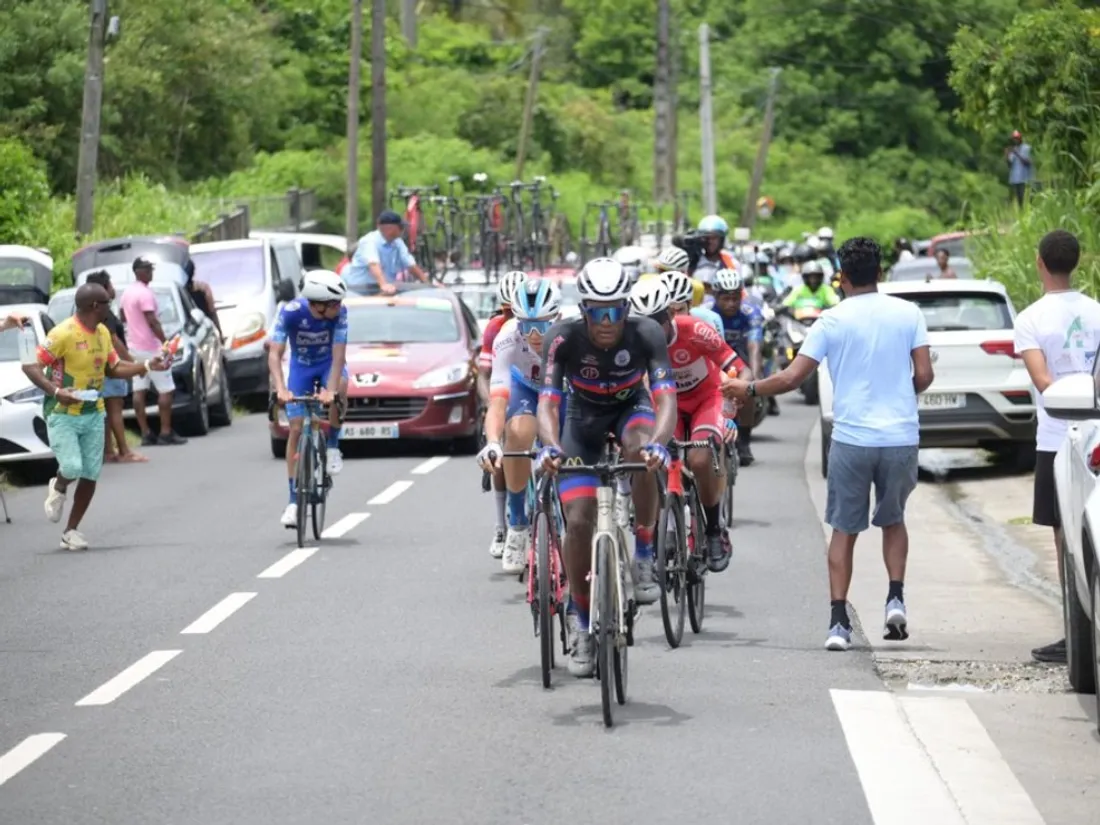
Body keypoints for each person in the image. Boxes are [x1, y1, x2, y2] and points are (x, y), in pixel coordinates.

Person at [724, 237, 934, 651]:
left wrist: (745, 389)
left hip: (852, 439)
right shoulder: (909, 314)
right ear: (879, 273)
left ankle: (839, 624)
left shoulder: (830, 320)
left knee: (843, 529)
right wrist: (899, 396)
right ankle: (895, 599)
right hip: (899, 438)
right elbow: (924, 375)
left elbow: (789, 378)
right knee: (893, 520)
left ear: (841, 276)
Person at [536, 258, 676, 677]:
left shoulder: (646, 333)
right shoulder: (562, 339)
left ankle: (646, 550)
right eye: (597, 312)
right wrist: (550, 447)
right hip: (581, 418)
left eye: (615, 310)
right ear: (583, 311)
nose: (607, 322)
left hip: (631, 408)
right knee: (578, 522)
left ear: (627, 309)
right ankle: (581, 622)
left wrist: (660, 445)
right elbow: (548, 402)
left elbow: (666, 398)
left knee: (641, 451)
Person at [21, 283, 166, 550]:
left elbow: (114, 367)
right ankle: (60, 485)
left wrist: (146, 365)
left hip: (93, 413)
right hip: (62, 413)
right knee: (73, 467)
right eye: (107, 304)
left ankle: (71, 531)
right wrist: (56, 390)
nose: (110, 308)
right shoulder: (63, 333)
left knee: (90, 473)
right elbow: (30, 366)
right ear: (94, 307)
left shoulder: (101, 333)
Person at [1013, 229, 1100, 665]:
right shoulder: (1097, 311)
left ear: (1039, 262)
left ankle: (1077, 636)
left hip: (1057, 439)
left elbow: (1044, 383)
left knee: (1066, 537)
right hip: (1097, 434)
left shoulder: (1030, 318)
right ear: (1076, 263)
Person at [629, 277, 746, 571]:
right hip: (668, 405)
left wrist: (733, 400)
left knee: (700, 457)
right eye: (644, 323)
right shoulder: (633, 340)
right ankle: (666, 525)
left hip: (706, 399)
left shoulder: (695, 330)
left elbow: (740, 369)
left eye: (657, 321)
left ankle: (714, 529)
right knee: (660, 459)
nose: (651, 330)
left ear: (671, 315)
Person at [477, 278, 565, 573]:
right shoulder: (507, 336)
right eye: (527, 326)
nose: (535, 335)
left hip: (564, 391)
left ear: (557, 317)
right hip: (525, 388)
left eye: (542, 325)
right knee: (517, 433)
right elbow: (498, 401)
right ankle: (517, 523)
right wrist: (491, 441)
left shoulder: (573, 333)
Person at [268, 270, 350, 527]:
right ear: (317, 304)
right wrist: (281, 388)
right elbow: (275, 354)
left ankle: (334, 444)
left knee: (342, 386)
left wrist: (331, 390)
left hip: (327, 365)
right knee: (295, 429)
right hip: (301, 367)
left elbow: (338, 358)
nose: (339, 306)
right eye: (334, 303)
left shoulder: (341, 314)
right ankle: (293, 501)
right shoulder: (291, 312)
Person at [477, 270, 528, 560]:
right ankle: (501, 525)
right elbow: (484, 374)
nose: (511, 315)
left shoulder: (542, 325)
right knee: (502, 455)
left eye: (515, 310)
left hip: (532, 389)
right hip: (506, 386)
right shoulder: (496, 328)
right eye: (507, 310)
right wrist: (490, 403)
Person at [119, 257, 187, 447]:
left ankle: (146, 433)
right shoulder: (145, 293)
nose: (151, 273)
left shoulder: (127, 293)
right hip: (151, 348)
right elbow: (152, 320)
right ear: (139, 272)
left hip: (134, 348)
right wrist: (164, 341)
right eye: (148, 270)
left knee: (139, 389)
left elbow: (123, 316)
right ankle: (165, 431)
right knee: (166, 389)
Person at [84, 271, 146, 464]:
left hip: (96, 367)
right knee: (114, 411)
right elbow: (114, 340)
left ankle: (109, 450)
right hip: (110, 367)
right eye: (110, 285)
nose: (113, 289)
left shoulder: (87, 312)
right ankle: (124, 450)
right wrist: (134, 364)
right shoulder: (105, 314)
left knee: (106, 415)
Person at [712, 268, 763, 466]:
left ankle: (744, 441)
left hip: (741, 358)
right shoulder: (707, 312)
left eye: (735, 298)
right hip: (716, 358)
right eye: (725, 298)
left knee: (748, 387)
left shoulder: (750, 313)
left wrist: (757, 380)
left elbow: (754, 346)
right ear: (715, 296)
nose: (731, 303)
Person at [342, 211, 430, 295]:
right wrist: (384, 285)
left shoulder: (398, 242)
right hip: (362, 289)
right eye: (401, 227)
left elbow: (410, 265)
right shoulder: (369, 241)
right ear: (389, 228)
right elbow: (373, 264)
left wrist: (427, 283)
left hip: (384, 289)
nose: (403, 230)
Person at [183, 260, 223, 337]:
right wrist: (219, 332)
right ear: (193, 272)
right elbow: (212, 311)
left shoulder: (180, 291)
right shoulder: (203, 288)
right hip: (205, 328)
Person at [1005, 130, 1033, 208]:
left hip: (1024, 177)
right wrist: (1007, 155)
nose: (1015, 140)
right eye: (1014, 139)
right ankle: (1021, 212)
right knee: (1019, 197)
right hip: (1015, 178)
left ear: (1020, 138)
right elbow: (1010, 165)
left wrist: (1016, 153)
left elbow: (1028, 162)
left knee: (1025, 196)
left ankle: (1028, 210)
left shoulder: (1026, 148)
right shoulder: (1013, 149)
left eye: (1017, 138)